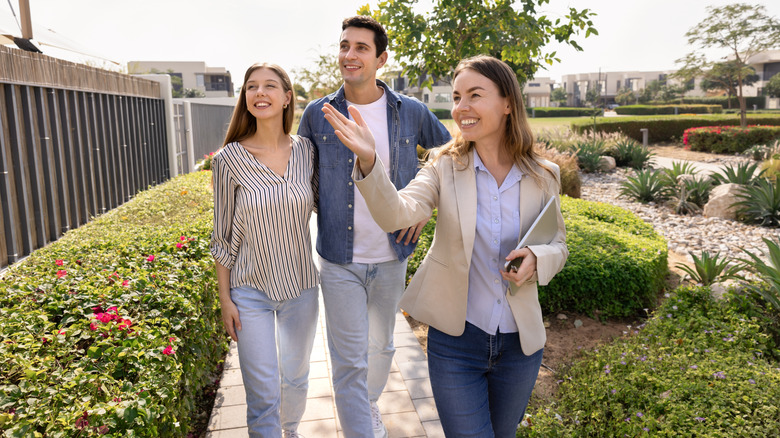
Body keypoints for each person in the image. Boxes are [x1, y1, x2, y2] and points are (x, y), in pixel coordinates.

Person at [322, 55, 569, 438]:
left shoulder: (543, 175)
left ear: (507, 104)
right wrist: (370, 162)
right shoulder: (442, 165)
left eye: (474, 95)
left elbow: (558, 243)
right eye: (456, 97)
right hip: (456, 344)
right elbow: (396, 213)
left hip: (521, 347)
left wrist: (538, 257)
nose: (461, 108)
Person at [297, 15, 451, 438]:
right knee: (348, 361)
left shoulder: (411, 111)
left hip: (391, 256)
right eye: (345, 45)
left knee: (381, 347)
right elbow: (299, 179)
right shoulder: (318, 114)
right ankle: (362, 427)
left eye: (361, 48)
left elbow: (451, 155)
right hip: (339, 259)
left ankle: (365, 407)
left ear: (381, 59)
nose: (350, 55)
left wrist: (423, 208)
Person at [210, 63, 319, 438]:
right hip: (249, 293)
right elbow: (222, 236)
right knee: (262, 392)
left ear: (287, 97)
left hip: (301, 288)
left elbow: (333, 205)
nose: (260, 93)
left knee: (297, 378)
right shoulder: (227, 160)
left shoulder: (306, 151)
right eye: (252, 87)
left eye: (270, 86)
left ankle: (291, 431)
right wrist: (225, 299)